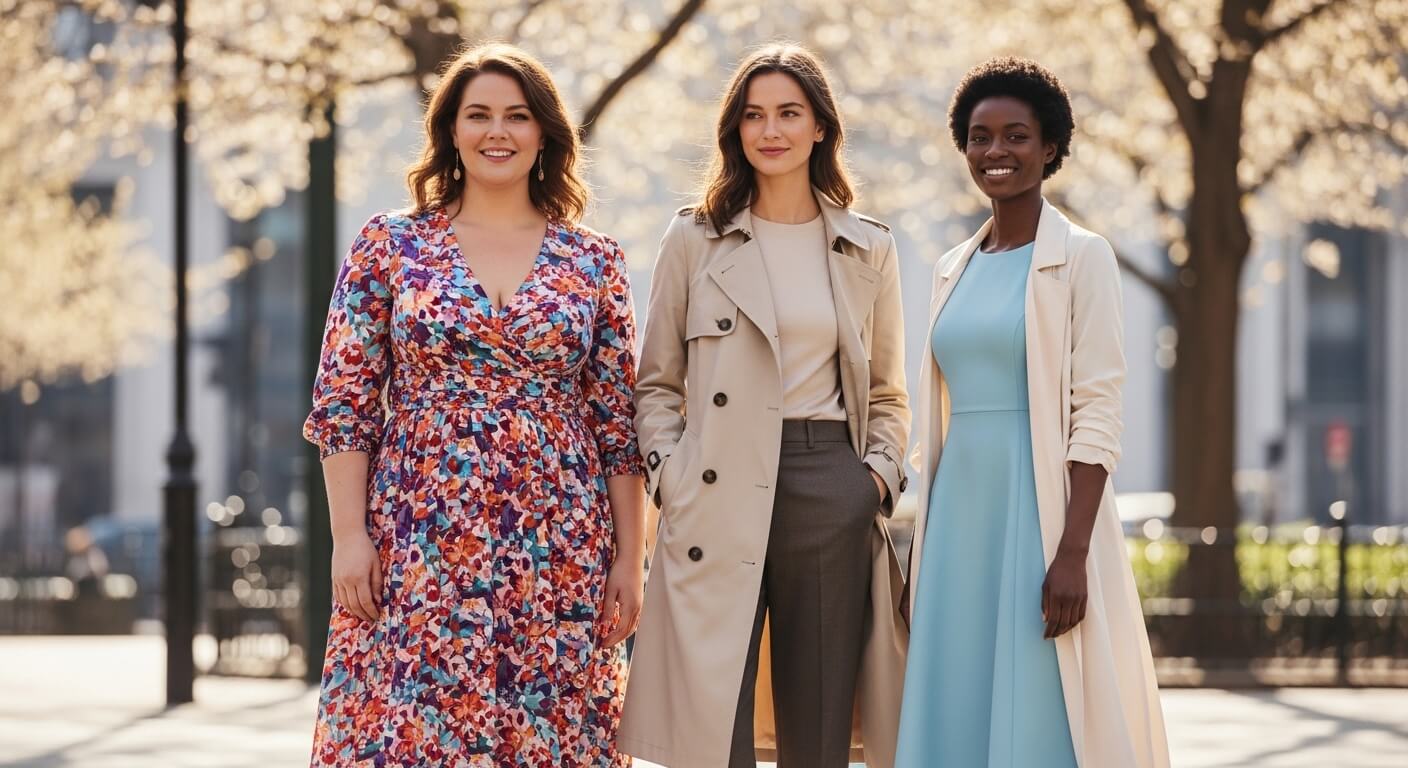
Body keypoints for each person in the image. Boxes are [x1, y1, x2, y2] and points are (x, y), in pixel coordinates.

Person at [302, 43, 645, 767]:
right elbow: (344, 401)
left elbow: (619, 420)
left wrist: (629, 557)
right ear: (450, 131)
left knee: (548, 727)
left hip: (557, 538)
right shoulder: (391, 244)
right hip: (418, 530)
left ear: (545, 133)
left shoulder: (594, 259)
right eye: (479, 115)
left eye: (518, 116)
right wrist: (349, 537)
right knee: (417, 729)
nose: (499, 132)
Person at [618, 42, 910, 768]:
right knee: (718, 727)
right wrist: (672, 476)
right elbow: (655, 383)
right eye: (753, 115)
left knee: (817, 728)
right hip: (714, 481)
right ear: (734, 129)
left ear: (820, 128)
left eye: (789, 113)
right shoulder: (693, 240)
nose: (770, 130)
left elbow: (888, 393)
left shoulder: (867, 247)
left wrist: (871, 479)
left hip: (829, 482)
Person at [896, 57, 1169, 767]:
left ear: (1049, 148)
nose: (997, 152)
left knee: (1042, 693)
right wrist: (921, 553)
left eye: (1016, 136)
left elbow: (1098, 410)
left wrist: (1072, 553)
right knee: (956, 687)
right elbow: (940, 418)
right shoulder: (951, 267)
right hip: (958, 515)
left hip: (1043, 511)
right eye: (980, 137)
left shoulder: (1084, 258)